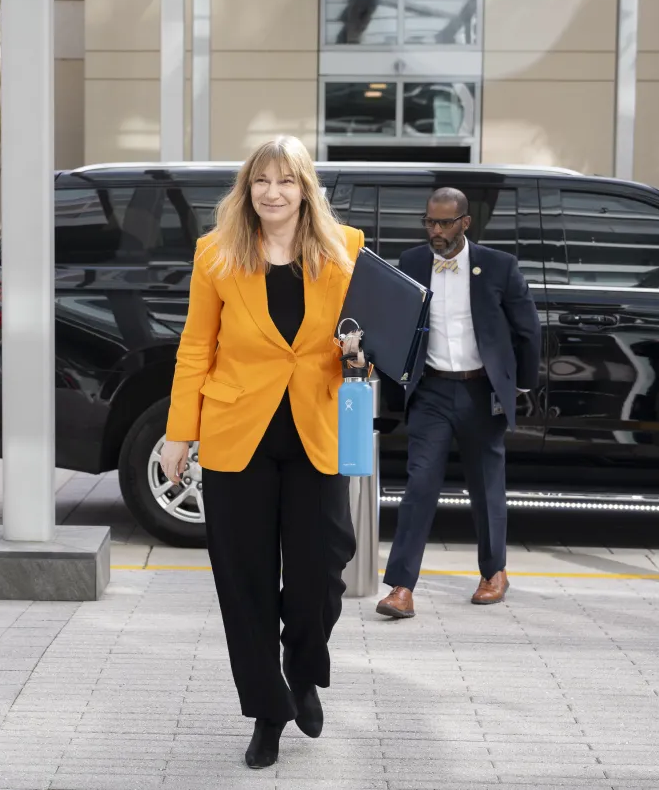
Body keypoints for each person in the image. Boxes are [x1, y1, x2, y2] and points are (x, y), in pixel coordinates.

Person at [159, 136, 365, 769]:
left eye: (286, 181)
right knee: (244, 584)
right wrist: (178, 433)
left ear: (306, 188)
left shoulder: (345, 250)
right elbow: (196, 347)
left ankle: (302, 671)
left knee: (320, 574)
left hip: (315, 431)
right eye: (260, 182)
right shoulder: (216, 254)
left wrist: (360, 353)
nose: (273, 193)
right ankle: (268, 711)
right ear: (246, 191)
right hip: (235, 436)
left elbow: (364, 339)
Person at [376, 187, 541, 619]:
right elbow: (395, 324)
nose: (436, 231)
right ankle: (401, 587)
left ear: (465, 222)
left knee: (486, 486)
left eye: (445, 223)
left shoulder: (500, 267)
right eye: (429, 222)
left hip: (481, 390)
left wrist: (520, 386)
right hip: (431, 391)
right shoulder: (412, 263)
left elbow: (528, 330)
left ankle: (494, 572)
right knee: (419, 486)